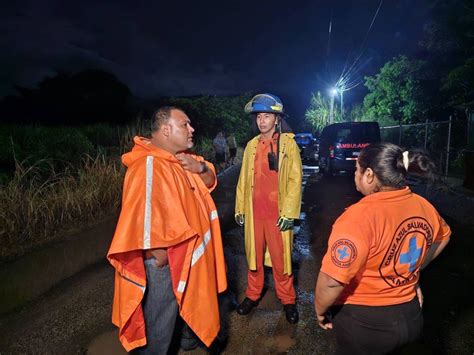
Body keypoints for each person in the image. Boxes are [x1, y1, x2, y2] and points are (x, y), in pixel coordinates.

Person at [107, 107, 227, 354]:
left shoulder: (179, 158)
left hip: (186, 260)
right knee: (158, 333)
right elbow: (145, 223)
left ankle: (186, 340)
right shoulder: (148, 165)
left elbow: (210, 178)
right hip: (168, 263)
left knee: (181, 314)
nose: (191, 129)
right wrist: (162, 258)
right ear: (165, 129)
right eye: (185, 124)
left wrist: (199, 168)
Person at [314, 142, 451, 354]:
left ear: (369, 175)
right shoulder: (424, 206)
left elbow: (332, 282)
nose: (354, 176)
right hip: (412, 316)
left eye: (356, 170)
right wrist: (412, 272)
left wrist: (320, 309)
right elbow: (443, 237)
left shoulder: (358, 217)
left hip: (365, 326)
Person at [235, 93, 303, 324]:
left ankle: (288, 300)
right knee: (253, 258)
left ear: (277, 119)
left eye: (267, 116)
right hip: (255, 214)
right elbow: (244, 179)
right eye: (259, 116)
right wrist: (240, 208)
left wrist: (289, 214)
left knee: (281, 261)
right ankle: (252, 295)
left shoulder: (288, 144)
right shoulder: (251, 146)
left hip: (278, 216)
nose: (262, 121)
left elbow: (295, 179)